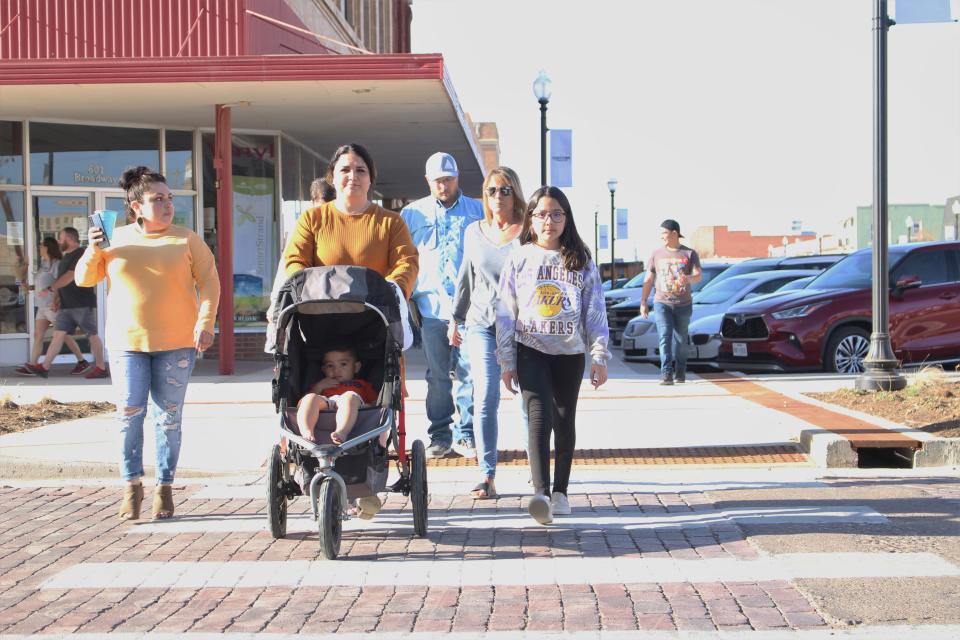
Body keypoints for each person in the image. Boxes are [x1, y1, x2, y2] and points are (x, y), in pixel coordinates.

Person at [75, 166, 220, 521]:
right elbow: (84, 279)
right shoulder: (114, 238)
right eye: (157, 199)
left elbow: (211, 285)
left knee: (168, 418)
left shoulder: (187, 239)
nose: (168, 204)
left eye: (169, 198)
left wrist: (205, 324)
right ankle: (131, 485)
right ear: (136, 207)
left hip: (177, 343)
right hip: (127, 343)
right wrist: (94, 249)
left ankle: (164, 487)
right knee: (128, 413)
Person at [496, 186, 610, 525]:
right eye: (542, 214)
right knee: (538, 417)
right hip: (530, 348)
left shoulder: (581, 260)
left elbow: (595, 310)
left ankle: (561, 491)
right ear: (531, 219)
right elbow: (505, 311)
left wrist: (599, 356)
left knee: (564, 419)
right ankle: (541, 494)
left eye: (557, 213)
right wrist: (506, 360)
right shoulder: (519, 258)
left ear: (567, 218)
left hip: (570, 353)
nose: (550, 220)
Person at [401, 152, 482, 459]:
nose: (443, 186)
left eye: (448, 180)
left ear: (457, 177)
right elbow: (404, 258)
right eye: (437, 181)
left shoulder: (477, 210)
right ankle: (440, 435)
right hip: (432, 308)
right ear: (428, 181)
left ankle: (466, 434)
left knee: (468, 372)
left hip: (471, 309)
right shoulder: (413, 214)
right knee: (437, 375)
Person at [450, 167, 525, 499]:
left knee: (527, 399)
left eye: (505, 190)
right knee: (485, 398)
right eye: (492, 190)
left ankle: (538, 474)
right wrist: (455, 317)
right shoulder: (473, 231)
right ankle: (487, 475)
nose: (498, 196)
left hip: (522, 327)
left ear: (516, 193)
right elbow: (465, 277)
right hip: (481, 323)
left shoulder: (528, 232)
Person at [21, 227, 108, 379]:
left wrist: (49, 289)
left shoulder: (80, 253)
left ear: (69, 239)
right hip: (66, 305)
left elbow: (70, 276)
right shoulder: (65, 257)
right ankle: (45, 367)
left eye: (61, 238)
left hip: (81, 302)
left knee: (92, 335)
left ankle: (101, 367)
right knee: (58, 335)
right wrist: (56, 300)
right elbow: (61, 282)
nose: (59, 241)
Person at [15, 237, 89, 376]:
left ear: (47, 247)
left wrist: (57, 302)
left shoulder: (57, 264)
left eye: (41, 245)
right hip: (42, 306)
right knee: (38, 335)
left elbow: (62, 284)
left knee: (64, 335)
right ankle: (32, 365)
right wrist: (28, 285)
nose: (39, 248)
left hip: (53, 306)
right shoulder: (43, 264)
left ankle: (82, 361)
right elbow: (41, 285)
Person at [640, 219, 702, 385]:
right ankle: (666, 373)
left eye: (664, 233)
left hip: (683, 304)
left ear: (674, 233)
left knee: (681, 340)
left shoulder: (689, 254)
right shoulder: (656, 254)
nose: (662, 237)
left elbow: (698, 275)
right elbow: (648, 279)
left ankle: (680, 372)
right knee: (664, 336)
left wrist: (688, 278)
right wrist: (643, 301)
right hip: (662, 302)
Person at [296, 344, 381, 446]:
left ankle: (341, 432)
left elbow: (376, 404)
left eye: (343, 364)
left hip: (352, 405)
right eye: (330, 366)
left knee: (349, 397)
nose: (336, 370)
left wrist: (368, 406)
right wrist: (318, 387)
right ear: (323, 369)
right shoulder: (322, 384)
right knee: (310, 398)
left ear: (356, 367)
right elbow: (300, 404)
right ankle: (306, 432)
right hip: (326, 403)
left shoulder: (362, 385)